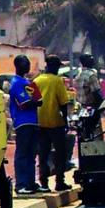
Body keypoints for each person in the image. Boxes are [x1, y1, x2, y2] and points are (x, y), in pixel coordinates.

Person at [34, 54, 73, 190]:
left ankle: (43, 182)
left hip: (39, 122)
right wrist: (66, 121)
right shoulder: (57, 81)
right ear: (55, 67)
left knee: (43, 153)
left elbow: (33, 100)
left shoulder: (37, 80)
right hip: (55, 121)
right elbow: (63, 103)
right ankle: (59, 181)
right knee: (60, 152)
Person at [7, 55, 41, 195]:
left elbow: (39, 100)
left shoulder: (28, 82)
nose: (26, 66)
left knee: (31, 154)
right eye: (24, 63)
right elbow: (24, 103)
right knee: (22, 153)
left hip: (33, 121)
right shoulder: (16, 83)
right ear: (17, 65)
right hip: (22, 122)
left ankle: (30, 182)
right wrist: (32, 101)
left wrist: (33, 101)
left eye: (27, 63)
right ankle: (20, 184)